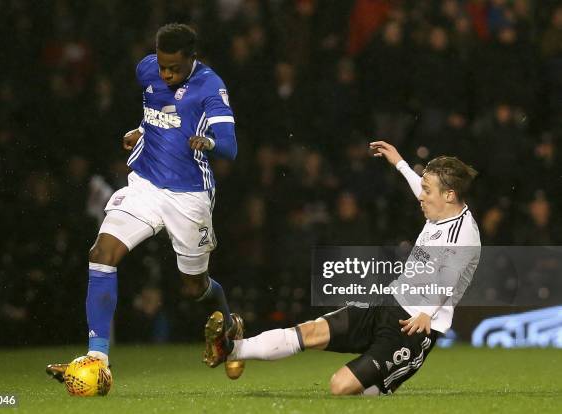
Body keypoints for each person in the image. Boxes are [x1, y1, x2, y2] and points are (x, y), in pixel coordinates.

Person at [47, 23, 245, 381]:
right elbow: (156, 107)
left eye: (174, 68)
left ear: (191, 59)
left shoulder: (210, 87)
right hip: (145, 185)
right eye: (162, 65)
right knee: (101, 254)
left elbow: (230, 146)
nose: (165, 73)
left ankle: (229, 325)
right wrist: (142, 129)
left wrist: (209, 143)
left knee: (194, 287)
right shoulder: (146, 69)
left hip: (189, 196)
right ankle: (97, 359)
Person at [204, 141, 481, 395]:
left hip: (414, 328)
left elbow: (449, 278)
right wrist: (399, 162)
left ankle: (381, 384)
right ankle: (230, 349)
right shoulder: (440, 207)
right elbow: (418, 185)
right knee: (311, 331)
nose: (421, 195)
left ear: (449, 195)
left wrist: (427, 313)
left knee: (341, 387)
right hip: (388, 302)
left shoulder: (463, 233)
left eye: (427, 190)